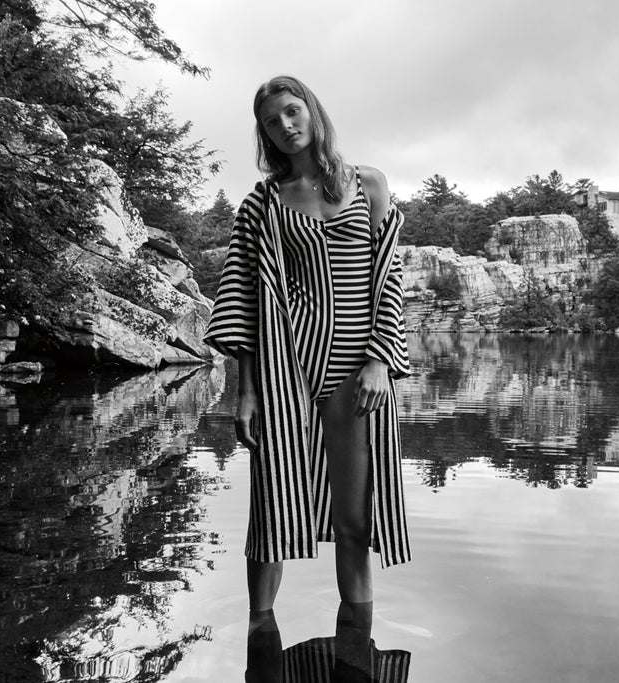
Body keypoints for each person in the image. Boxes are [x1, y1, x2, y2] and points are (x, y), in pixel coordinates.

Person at [204, 76, 411, 616]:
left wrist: (380, 359)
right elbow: (244, 297)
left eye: (292, 112)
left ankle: (355, 649)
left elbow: (385, 277)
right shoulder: (263, 203)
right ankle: (259, 634)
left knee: (353, 518)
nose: (285, 126)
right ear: (264, 134)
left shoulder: (369, 184)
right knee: (272, 508)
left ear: (313, 112)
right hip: (284, 366)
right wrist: (246, 394)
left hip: (355, 368)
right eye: (272, 122)